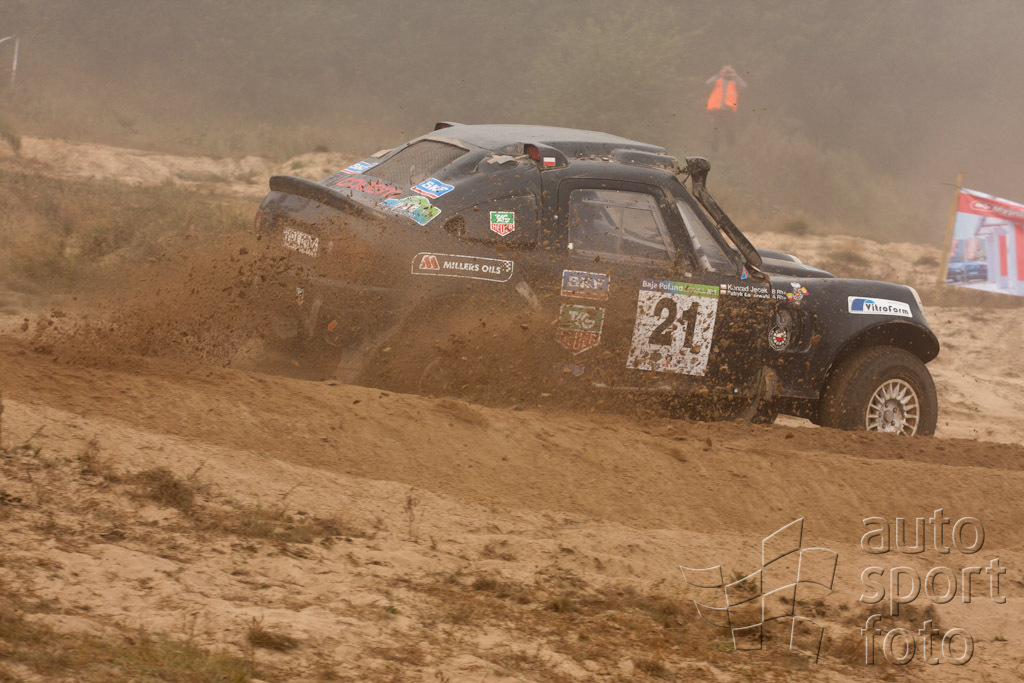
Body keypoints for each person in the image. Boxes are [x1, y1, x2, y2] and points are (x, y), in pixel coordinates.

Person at [705, 65, 747, 150]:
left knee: (730, 129)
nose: (727, 73)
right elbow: (708, 83)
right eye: (726, 72)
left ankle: (731, 149)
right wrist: (719, 74)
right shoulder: (718, 80)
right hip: (716, 110)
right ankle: (714, 150)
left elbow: (744, 86)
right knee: (716, 130)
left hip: (729, 110)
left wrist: (736, 76)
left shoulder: (735, 81)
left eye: (729, 72)